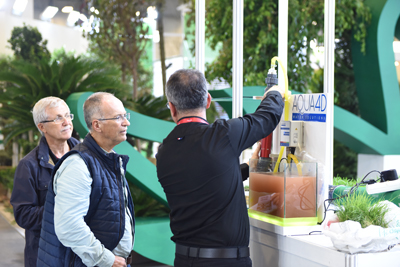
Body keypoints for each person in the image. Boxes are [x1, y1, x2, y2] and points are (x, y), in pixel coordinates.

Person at [156, 69, 285, 267]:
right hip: (225, 262)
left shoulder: (164, 151)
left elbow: (202, 178)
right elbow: (267, 117)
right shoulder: (223, 135)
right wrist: (274, 92)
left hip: (183, 260)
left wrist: (248, 168)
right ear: (208, 100)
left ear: (172, 108)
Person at [37, 92, 134, 267]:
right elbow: (69, 226)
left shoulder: (109, 160)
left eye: (125, 116)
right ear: (97, 125)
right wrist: (107, 259)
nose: (126, 122)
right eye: (119, 117)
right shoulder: (78, 164)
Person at [10, 96, 79, 267]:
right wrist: (64, 211)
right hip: (45, 256)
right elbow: (23, 215)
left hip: (81, 253)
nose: (66, 122)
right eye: (58, 118)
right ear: (42, 127)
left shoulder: (85, 157)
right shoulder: (28, 165)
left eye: (68, 116)